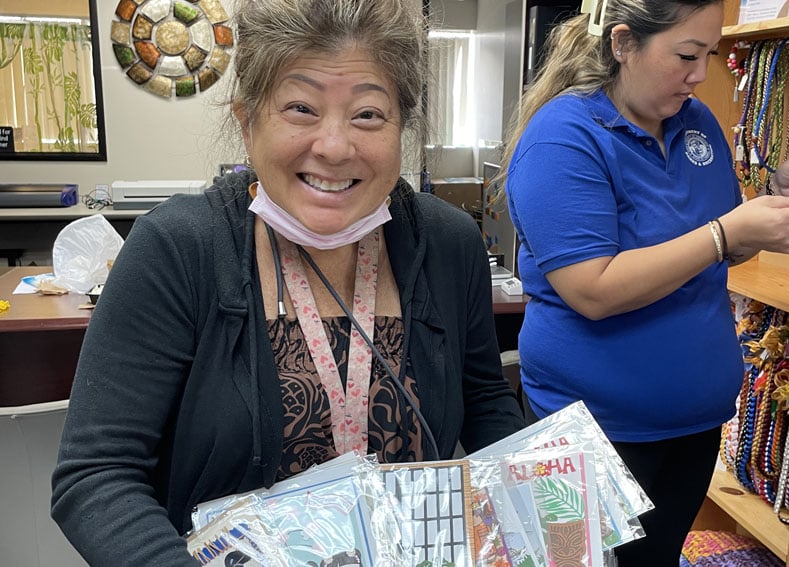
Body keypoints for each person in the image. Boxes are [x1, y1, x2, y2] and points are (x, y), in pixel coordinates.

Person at [50, 1, 525, 564]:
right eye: (301, 108)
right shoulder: (178, 249)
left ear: (403, 126)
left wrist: (536, 508)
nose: (334, 146)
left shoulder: (447, 244)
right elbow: (96, 474)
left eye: (368, 114)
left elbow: (483, 399)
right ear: (248, 123)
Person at [501, 1, 789, 565]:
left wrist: (774, 205)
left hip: (692, 425)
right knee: (572, 561)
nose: (699, 74)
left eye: (710, 55)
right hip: (590, 436)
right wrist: (725, 231)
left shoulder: (696, 120)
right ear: (623, 44)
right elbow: (593, 289)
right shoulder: (562, 138)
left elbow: (718, 250)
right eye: (686, 55)